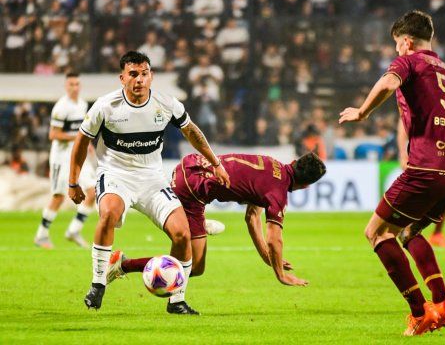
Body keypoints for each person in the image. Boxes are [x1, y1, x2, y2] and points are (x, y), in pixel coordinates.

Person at [339, 10, 445, 336]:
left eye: (397, 45)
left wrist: (361, 113)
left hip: (427, 167)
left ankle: (420, 313)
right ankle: (443, 301)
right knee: (409, 233)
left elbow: (388, 83)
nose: (397, 52)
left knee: (376, 232)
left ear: (406, 41)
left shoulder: (410, 62)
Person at [68, 51, 230, 315]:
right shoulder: (105, 106)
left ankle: (176, 300)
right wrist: (73, 182)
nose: (139, 79)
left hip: (152, 178)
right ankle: (98, 284)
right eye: (133, 74)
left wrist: (216, 163)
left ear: (151, 76)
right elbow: (80, 143)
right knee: (108, 213)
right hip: (115, 174)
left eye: (144, 73)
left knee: (182, 234)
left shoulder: (166, 103)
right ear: (122, 78)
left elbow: (192, 132)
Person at [106, 152, 326, 288]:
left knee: (183, 258)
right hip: (194, 188)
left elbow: (251, 218)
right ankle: (122, 264)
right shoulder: (278, 194)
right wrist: (280, 275)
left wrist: (267, 259)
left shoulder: (273, 165)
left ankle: (197, 229)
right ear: (306, 185)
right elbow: (274, 240)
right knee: (191, 266)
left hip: (190, 165)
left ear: (294, 161)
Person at [34, 73, 97, 249]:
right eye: (71, 84)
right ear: (66, 86)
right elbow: (53, 134)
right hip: (61, 157)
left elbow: (82, 130)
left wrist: (87, 143)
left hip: (77, 154)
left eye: (77, 84)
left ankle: (74, 231)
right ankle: (41, 235)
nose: (74, 87)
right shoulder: (61, 107)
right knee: (59, 197)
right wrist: (77, 138)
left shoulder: (83, 104)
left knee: (92, 192)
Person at [397, 119, 445, 248]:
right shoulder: (414, 103)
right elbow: (403, 127)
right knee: (418, 195)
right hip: (419, 157)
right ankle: (400, 226)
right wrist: (403, 155)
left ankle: (436, 234)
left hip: (437, 155)